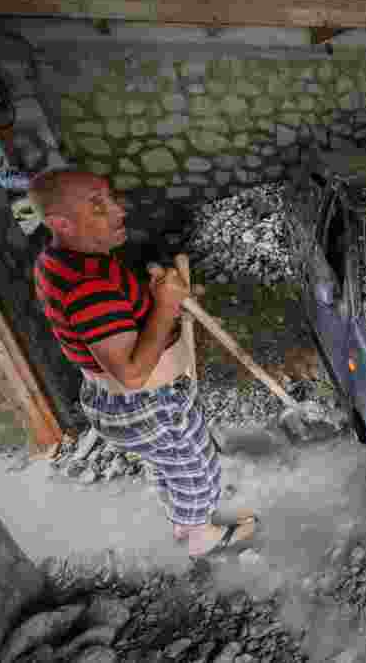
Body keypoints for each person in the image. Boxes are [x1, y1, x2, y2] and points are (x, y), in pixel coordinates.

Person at [29, 169, 256, 559]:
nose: (118, 209)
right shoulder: (88, 284)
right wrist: (167, 306)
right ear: (60, 223)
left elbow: (116, 323)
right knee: (198, 472)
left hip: (134, 403)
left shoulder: (61, 260)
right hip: (147, 403)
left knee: (176, 468)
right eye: (97, 205)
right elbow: (132, 375)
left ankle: (186, 518)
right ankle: (201, 537)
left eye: (110, 196)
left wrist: (152, 298)